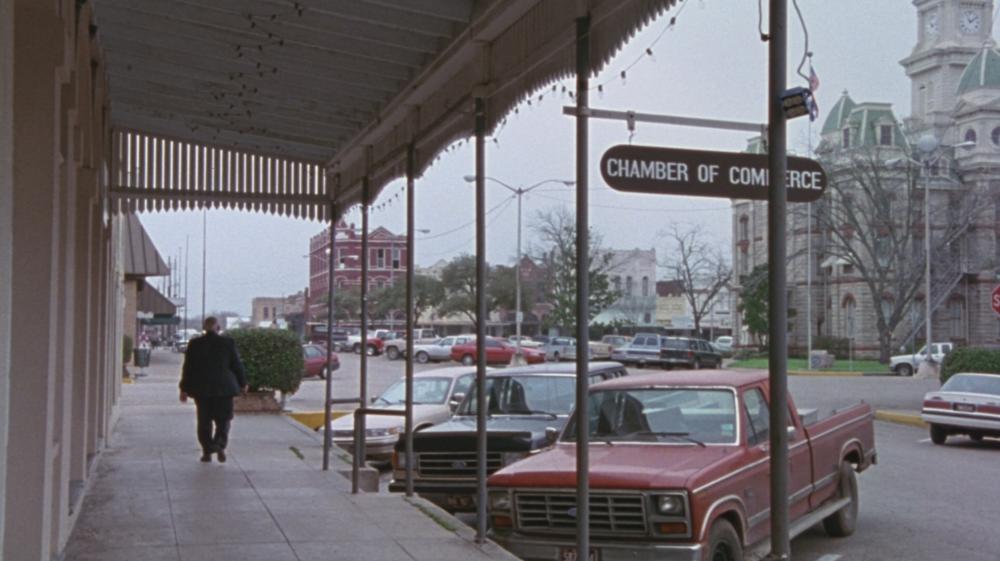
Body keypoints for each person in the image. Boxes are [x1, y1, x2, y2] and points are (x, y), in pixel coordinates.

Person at [179, 317, 248, 463]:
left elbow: (188, 368)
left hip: (201, 389)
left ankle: (207, 451)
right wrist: (243, 383)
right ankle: (219, 446)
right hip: (224, 388)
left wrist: (184, 388)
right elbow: (236, 365)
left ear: (204, 328)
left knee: (204, 421)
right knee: (223, 420)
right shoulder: (227, 343)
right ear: (218, 328)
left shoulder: (195, 344)